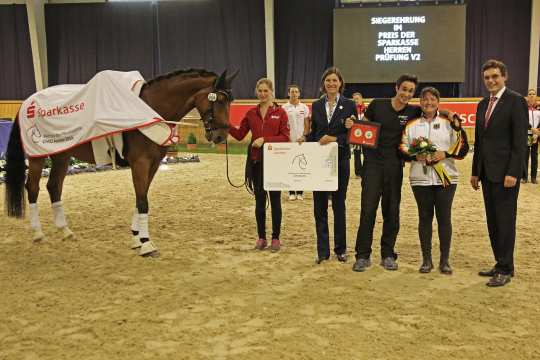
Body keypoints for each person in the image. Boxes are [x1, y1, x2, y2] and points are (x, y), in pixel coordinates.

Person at [346, 74, 421, 272]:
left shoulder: (414, 111)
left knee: (392, 212)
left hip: (395, 167)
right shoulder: (377, 105)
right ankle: (362, 256)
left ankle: (388, 254)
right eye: (403, 89)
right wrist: (352, 127)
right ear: (396, 88)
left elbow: (434, 112)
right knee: (368, 211)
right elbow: (361, 130)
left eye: (410, 91)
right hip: (372, 166)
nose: (406, 93)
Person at [399, 87, 469, 274]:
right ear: (420, 102)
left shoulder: (449, 122)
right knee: (424, 217)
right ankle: (427, 260)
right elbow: (402, 148)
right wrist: (415, 156)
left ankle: (445, 260)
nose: (428, 102)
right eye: (424, 99)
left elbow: (462, 147)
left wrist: (444, 154)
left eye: (432, 99)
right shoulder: (411, 125)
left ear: (438, 102)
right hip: (420, 179)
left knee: (444, 218)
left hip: (446, 178)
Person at [471, 59, 528, 287]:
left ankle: (506, 268)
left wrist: (514, 172)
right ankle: (500, 262)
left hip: (506, 174)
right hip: (486, 174)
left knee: (505, 221)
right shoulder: (483, 104)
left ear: (504, 76)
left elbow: (519, 141)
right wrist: (476, 171)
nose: (491, 81)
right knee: (493, 221)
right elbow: (481, 141)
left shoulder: (515, 101)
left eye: (495, 76)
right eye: (487, 78)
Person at [300, 67, 356, 264]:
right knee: (319, 207)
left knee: (339, 206)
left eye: (335, 80)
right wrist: (304, 138)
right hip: (319, 163)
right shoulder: (315, 106)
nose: (331, 83)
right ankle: (322, 251)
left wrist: (335, 138)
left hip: (340, 160)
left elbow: (353, 135)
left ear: (340, 83)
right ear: (324, 83)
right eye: (328, 80)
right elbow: (314, 133)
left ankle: (340, 249)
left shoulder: (349, 105)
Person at [229, 78, 290, 252]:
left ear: (271, 92)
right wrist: (226, 124)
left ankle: (276, 238)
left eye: (266, 91)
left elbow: (285, 137)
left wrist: (265, 140)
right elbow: (240, 134)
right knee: (259, 201)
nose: (263, 94)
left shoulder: (280, 112)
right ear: (257, 92)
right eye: (260, 91)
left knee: (276, 201)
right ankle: (261, 237)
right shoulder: (251, 113)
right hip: (257, 163)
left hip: (275, 164)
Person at [282, 84, 310, 200]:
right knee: (290, 166)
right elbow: (282, 125)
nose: (294, 94)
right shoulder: (284, 108)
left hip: (301, 141)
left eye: (296, 92)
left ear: (299, 94)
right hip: (289, 141)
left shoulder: (304, 107)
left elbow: (307, 125)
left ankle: (300, 192)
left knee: (301, 166)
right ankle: (291, 192)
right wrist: (286, 138)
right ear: (288, 93)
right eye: (292, 92)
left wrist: (304, 136)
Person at [523, 89, 540, 184]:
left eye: (533, 94)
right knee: (525, 156)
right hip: (527, 134)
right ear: (527, 96)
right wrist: (530, 129)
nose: (532, 95)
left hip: (536, 135)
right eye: (530, 94)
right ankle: (524, 177)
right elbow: (523, 120)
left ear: (536, 96)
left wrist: (537, 133)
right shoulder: (524, 107)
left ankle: (533, 177)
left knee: (534, 156)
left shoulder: (539, 107)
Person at [352, 92, 366, 178]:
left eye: (357, 99)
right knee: (357, 154)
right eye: (354, 99)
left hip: (366, 135)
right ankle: (358, 172)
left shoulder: (367, 109)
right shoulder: (351, 110)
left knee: (367, 154)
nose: (356, 101)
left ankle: (366, 171)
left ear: (361, 99)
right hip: (356, 135)